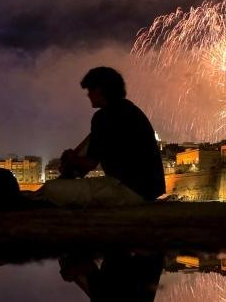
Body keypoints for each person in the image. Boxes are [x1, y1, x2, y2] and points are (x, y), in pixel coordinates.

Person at [37, 67, 165, 207]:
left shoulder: (103, 117)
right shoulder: (131, 111)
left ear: (99, 90)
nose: (88, 95)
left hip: (128, 190)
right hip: (147, 190)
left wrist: (71, 158)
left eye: (90, 90)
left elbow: (90, 163)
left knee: (51, 189)